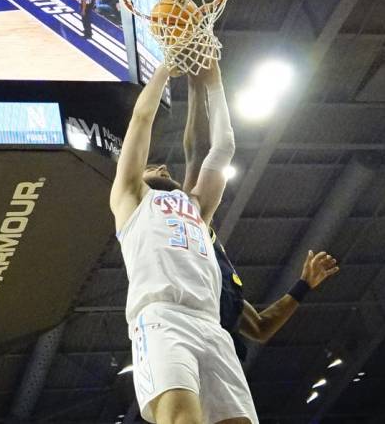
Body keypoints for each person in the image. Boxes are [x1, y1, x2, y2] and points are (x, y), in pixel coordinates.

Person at [110, 61, 255, 423]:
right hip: (162, 319)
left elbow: (223, 148)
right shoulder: (131, 198)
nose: (160, 166)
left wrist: (216, 80)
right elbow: (141, 119)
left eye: (164, 168)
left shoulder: (195, 207)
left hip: (211, 327)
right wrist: (164, 69)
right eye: (152, 166)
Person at [181, 74, 340, 362]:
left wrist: (303, 285)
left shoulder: (210, 249)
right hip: (189, 352)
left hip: (222, 357)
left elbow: (260, 328)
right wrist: (196, 81)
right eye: (155, 170)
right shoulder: (180, 222)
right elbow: (198, 152)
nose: (162, 168)